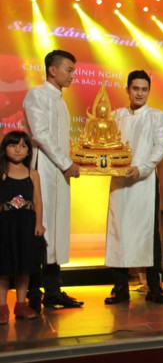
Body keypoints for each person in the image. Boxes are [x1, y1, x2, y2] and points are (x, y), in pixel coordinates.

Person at [23, 49, 83, 312]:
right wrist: (66, 163)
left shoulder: (60, 100)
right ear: (52, 69)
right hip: (44, 169)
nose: (72, 75)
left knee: (56, 228)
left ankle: (53, 290)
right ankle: (33, 291)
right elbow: (41, 134)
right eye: (69, 69)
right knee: (41, 228)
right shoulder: (37, 94)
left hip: (58, 170)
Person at [104, 70, 163, 305]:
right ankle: (120, 288)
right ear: (127, 90)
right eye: (135, 88)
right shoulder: (115, 116)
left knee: (149, 235)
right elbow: (106, 147)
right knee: (118, 233)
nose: (140, 93)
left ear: (149, 91)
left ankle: (154, 287)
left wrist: (142, 168)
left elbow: (160, 147)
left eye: (144, 89)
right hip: (120, 183)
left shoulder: (157, 116)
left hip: (144, 183)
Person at [0, 132, 45, 324]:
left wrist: (39, 223)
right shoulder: (2, 173)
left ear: (28, 151)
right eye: (13, 145)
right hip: (5, 224)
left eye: (23, 146)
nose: (18, 149)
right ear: (5, 149)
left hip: (26, 224)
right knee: (3, 267)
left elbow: (38, 201)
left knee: (24, 267)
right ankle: (2, 307)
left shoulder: (32, 174)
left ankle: (21, 304)